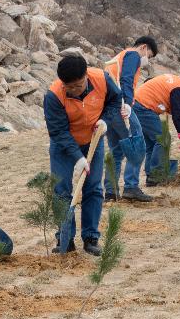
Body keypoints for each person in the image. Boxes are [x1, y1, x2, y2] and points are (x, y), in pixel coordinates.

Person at [44, 53, 130, 255]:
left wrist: (106, 121)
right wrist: (78, 157)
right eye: (69, 87)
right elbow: (58, 131)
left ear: (86, 76)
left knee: (93, 189)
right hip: (64, 146)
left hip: (93, 139)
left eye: (78, 85)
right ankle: (64, 238)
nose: (74, 90)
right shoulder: (54, 95)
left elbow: (115, 100)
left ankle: (91, 237)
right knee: (61, 190)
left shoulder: (102, 79)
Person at [101, 37, 155, 202]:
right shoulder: (133, 55)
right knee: (137, 144)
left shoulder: (119, 57)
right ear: (144, 47)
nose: (148, 60)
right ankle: (131, 187)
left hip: (108, 108)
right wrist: (127, 103)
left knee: (116, 150)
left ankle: (111, 192)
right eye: (150, 56)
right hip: (121, 106)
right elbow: (126, 79)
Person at [133, 70, 180, 184]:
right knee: (163, 139)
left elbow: (174, 109)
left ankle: (151, 176)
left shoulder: (177, 81)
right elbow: (178, 116)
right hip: (145, 106)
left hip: (137, 104)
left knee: (152, 144)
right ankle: (156, 175)